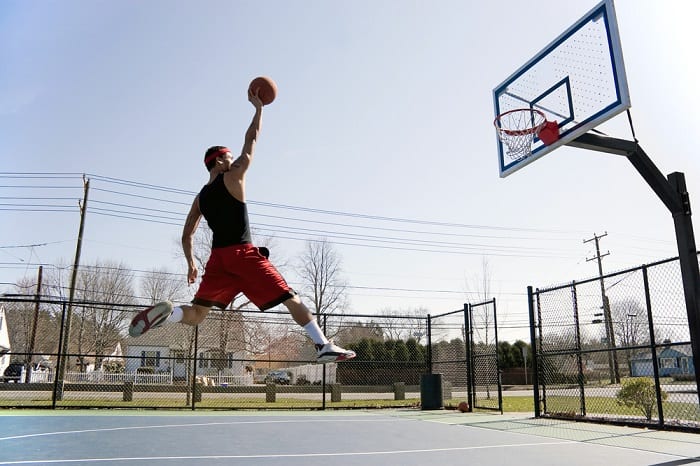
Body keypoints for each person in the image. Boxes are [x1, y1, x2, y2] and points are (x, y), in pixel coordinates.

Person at [128, 88, 356, 364]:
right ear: (221, 160)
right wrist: (259, 110)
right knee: (290, 298)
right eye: (229, 156)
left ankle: (170, 313)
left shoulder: (200, 198)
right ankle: (323, 345)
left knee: (197, 314)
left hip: (218, 260)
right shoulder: (233, 177)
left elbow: (187, 234)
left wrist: (191, 264)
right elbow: (252, 139)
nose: (234, 158)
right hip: (243, 255)